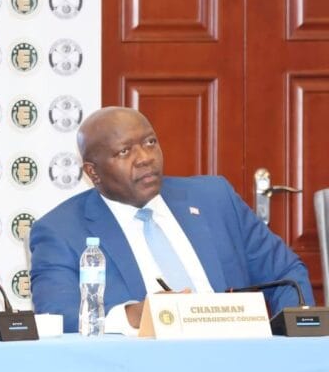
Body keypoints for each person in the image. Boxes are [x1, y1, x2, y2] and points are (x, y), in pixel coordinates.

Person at [29, 106, 314, 333]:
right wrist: (134, 316)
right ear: (93, 173)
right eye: (125, 151)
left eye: (150, 142)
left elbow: (286, 273)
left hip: (238, 359)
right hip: (145, 371)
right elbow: (57, 315)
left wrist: (289, 341)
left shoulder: (215, 198)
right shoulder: (61, 231)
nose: (145, 158)